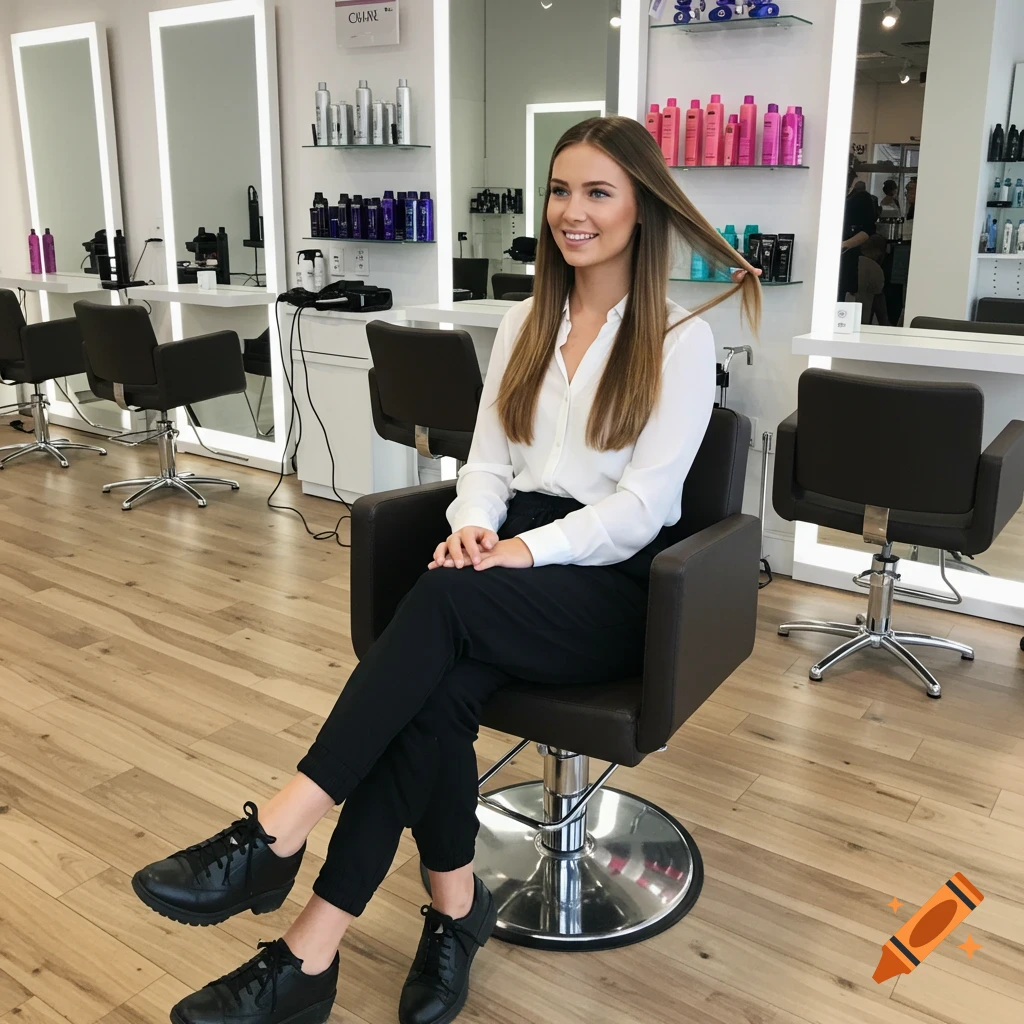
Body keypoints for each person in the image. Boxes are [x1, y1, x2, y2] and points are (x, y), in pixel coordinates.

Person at [129, 116, 762, 1024]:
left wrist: (517, 551)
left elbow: (644, 513)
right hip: (509, 565)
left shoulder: (678, 340)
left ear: (642, 207)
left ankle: (279, 832)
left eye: (597, 192)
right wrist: (472, 527)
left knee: (444, 611)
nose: (570, 212)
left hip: (617, 583)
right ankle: (346, 942)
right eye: (559, 190)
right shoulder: (525, 321)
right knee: (436, 694)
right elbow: (490, 468)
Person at [839, 169, 878, 301]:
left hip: (846, 256)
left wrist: (844, 245)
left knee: (842, 295)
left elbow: (869, 229)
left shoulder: (860, 199)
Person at [845, 233, 891, 326]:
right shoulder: (875, 268)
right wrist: (885, 324)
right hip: (863, 319)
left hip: (843, 315)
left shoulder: (850, 262)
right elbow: (879, 300)